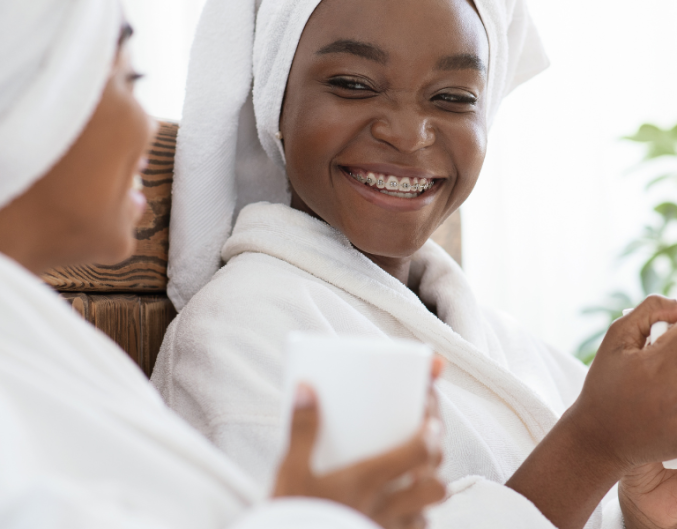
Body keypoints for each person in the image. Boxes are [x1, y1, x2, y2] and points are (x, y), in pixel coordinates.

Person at [152, 0, 677, 528]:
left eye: (453, 97)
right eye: (353, 84)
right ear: (275, 102)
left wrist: (642, 513)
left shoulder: (505, 344)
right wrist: (592, 446)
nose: (408, 134)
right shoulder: (241, 334)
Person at [0, 1, 446, 527]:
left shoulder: (44, 350)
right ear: (29, 97)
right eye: (128, 79)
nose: (150, 129)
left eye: (456, 98)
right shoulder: (240, 326)